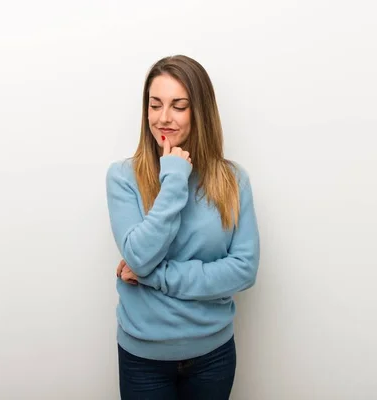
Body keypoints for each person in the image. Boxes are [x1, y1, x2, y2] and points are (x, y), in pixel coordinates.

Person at [105, 55, 260, 400]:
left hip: (213, 355)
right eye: (155, 104)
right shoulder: (122, 178)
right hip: (143, 358)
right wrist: (173, 178)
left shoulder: (233, 180)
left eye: (179, 106)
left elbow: (243, 270)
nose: (163, 117)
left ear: (199, 111)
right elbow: (140, 256)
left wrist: (154, 278)